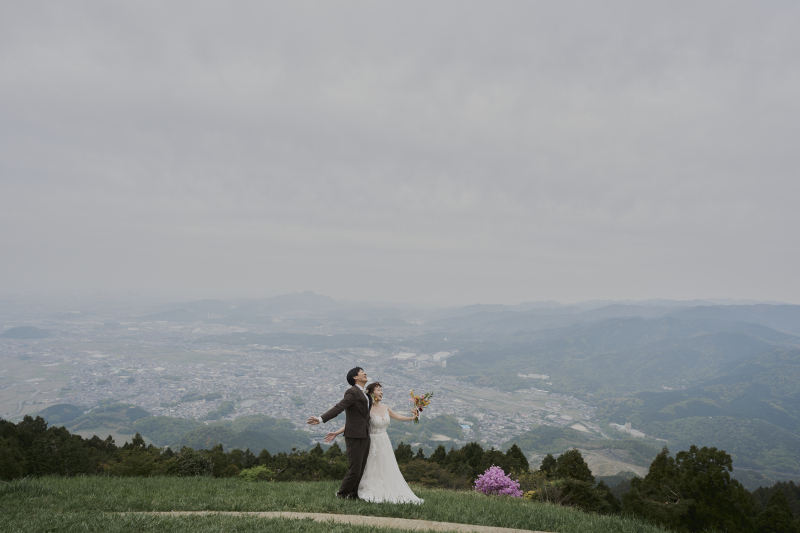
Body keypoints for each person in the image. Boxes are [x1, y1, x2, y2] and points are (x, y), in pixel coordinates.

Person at [324, 382, 424, 504]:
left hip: (384, 442)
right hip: (370, 441)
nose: (381, 392)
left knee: (385, 466)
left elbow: (397, 416)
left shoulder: (385, 407)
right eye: (378, 390)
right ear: (371, 393)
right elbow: (354, 423)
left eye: (381, 390)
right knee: (370, 467)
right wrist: (336, 433)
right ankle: (360, 489)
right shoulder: (367, 408)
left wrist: (412, 418)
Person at [307, 366, 371, 499]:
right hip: (354, 435)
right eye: (361, 372)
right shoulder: (352, 392)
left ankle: (353, 495)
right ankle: (341, 494)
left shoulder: (365, 393)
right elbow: (340, 407)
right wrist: (320, 419)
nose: (365, 373)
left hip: (365, 434)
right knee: (355, 469)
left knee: (361, 468)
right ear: (355, 377)